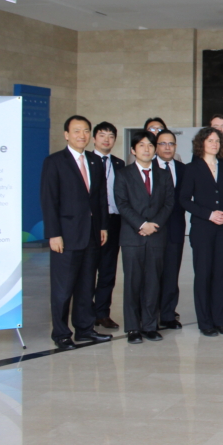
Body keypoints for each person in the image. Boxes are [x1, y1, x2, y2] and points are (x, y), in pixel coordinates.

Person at [40, 115, 113, 349]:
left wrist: (103, 226)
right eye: (77, 131)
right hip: (66, 235)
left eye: (86, 131)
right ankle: (61, 334)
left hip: (91, 234)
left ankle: (85, 329)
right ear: (66, 135)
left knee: (86, 286)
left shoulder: (95, 161)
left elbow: (100, 197)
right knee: (63, 289)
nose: (82, 135)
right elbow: (49, 200)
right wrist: (53, 234)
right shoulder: (54, 162)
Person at [114, 131, 174, 344]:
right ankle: (133, 328)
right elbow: (122, 204)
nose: (146, 149)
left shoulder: (164, 174)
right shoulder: (123, 174)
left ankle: (150, 326)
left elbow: (169, 203)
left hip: (156, 236)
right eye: (141, 145)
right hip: (132, 237)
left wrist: (153, 225)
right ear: (133, 150)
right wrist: (141, 224)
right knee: (132, 283)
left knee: (153, 282)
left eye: (150, 145)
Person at [180, 127, 223, 337]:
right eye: (210, 140)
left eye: (217, 140)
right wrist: (208, 214)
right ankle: (205, 322)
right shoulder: (192, 168)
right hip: (203, 229)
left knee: (222, 275)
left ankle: (220, 320)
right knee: (203, 274)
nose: (214, 144)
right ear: (201, 143)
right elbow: (184, 199)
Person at [89, 121, 124, 331]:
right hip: (91, 221)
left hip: (114, 220)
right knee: (88, 269)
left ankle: (102, 313)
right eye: (102, 135)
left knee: (108, 270)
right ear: (94, 138)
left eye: (111, 136)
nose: (106, 139)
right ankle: (86, 313)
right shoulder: (86, 160)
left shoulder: (119, 164)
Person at [154, 130, 187, 330]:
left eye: (171, 144)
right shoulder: (148, 167)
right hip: (152, 229)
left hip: (175, 228)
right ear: (156, 146)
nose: (167, 147)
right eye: (163, 143)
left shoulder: (183, 169)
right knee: (151, 275)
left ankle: (167, 314)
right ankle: (149, 315)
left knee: (171, 274)